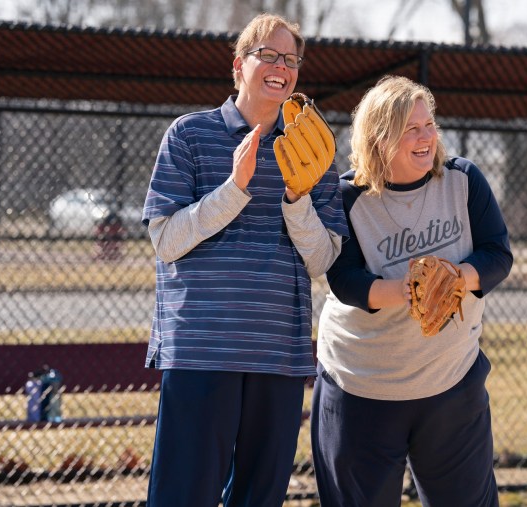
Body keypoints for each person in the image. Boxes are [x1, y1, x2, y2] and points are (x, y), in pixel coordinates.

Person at [141, 13, 348, 507]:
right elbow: (166, 240)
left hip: (277, 354)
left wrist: (298, 198)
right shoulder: (189, 135)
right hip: (202, 350)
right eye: (268, 55)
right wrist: (234, 189)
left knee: (259, 498)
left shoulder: (313, 150)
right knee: (183, 496)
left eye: (292, 59)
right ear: (239, 64)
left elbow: (322, 259)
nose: (282, 66)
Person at [310, 75, 513, 507]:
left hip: (450, 382)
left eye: (429, 125)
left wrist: (457, 278)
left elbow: (497, 254)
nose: (425, 137)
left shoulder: (462, 180)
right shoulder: (348, 196)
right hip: (363, 386)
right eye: (410, 129)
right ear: (380, 138)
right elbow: (343, 280)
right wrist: (407, 291)